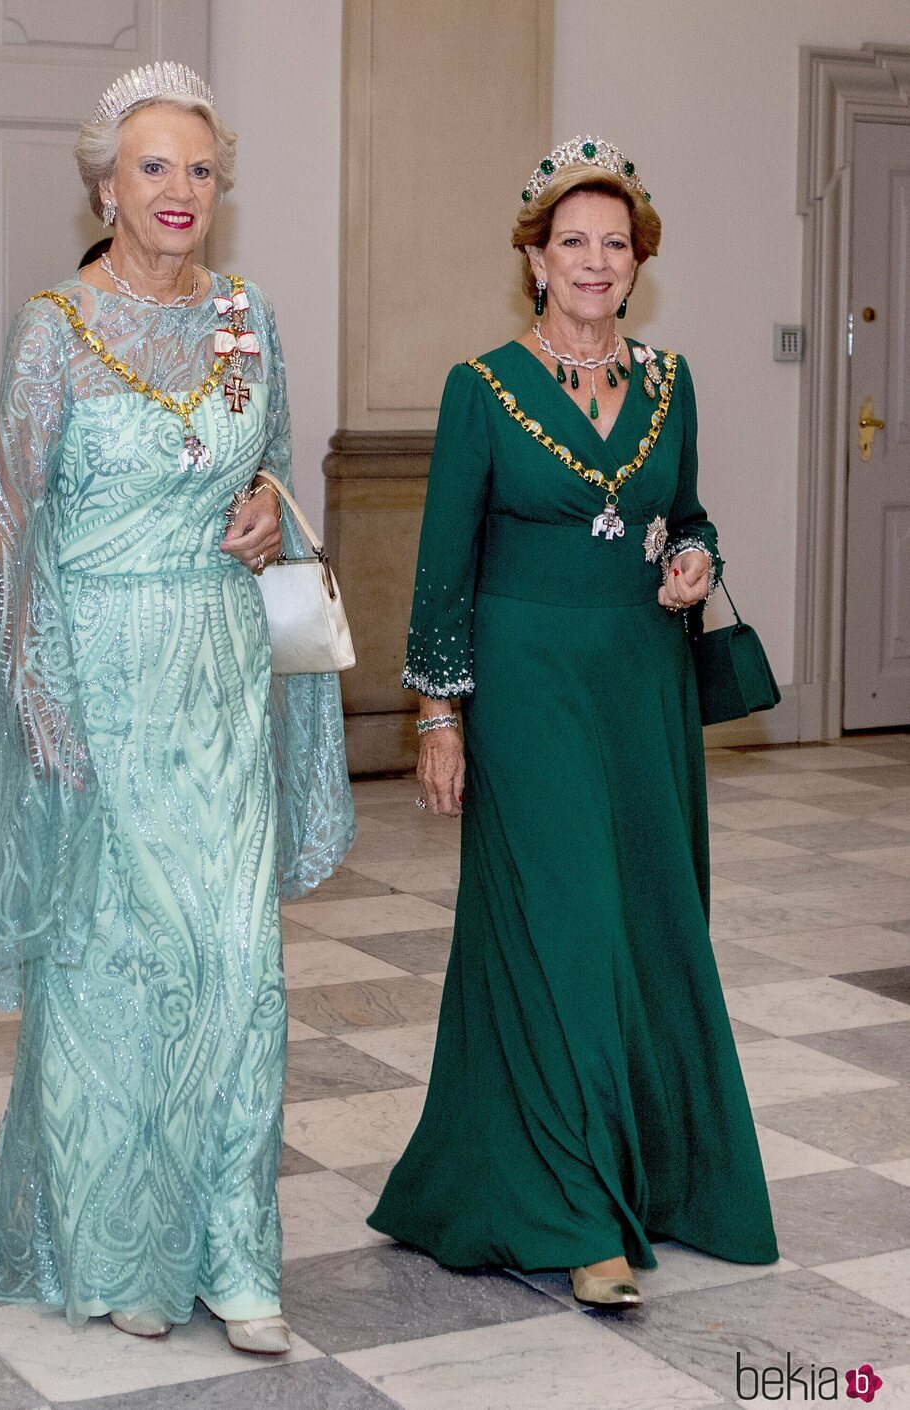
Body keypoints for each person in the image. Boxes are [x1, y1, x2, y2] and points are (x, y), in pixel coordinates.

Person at [0, 61, 354, 1352]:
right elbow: (13, 529)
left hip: (217, 680)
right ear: (105, 181)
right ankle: (119, 1245)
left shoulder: (249, 315)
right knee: (116, 972)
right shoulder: (54, 325)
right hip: (99, 680)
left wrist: (276, 505)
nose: (179, 192)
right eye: (153, 167)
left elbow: (272, 469)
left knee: (237, 968)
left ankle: (237, 1253)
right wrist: (38, 696)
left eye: (200, 170)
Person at [368, 135, 778, 1307]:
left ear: (634, 261)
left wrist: (694, 560)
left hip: (639, 686)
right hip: (527, 690)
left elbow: (686, 513)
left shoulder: (668, 381)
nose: (594, 263)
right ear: (534, 261)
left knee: (651, 925)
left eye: (615, 244)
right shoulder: (481, 386)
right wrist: (439, 717)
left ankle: (654, 1179)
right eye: (572, 243)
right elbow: (442, 567)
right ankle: (575, 1213)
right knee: (566, 929)